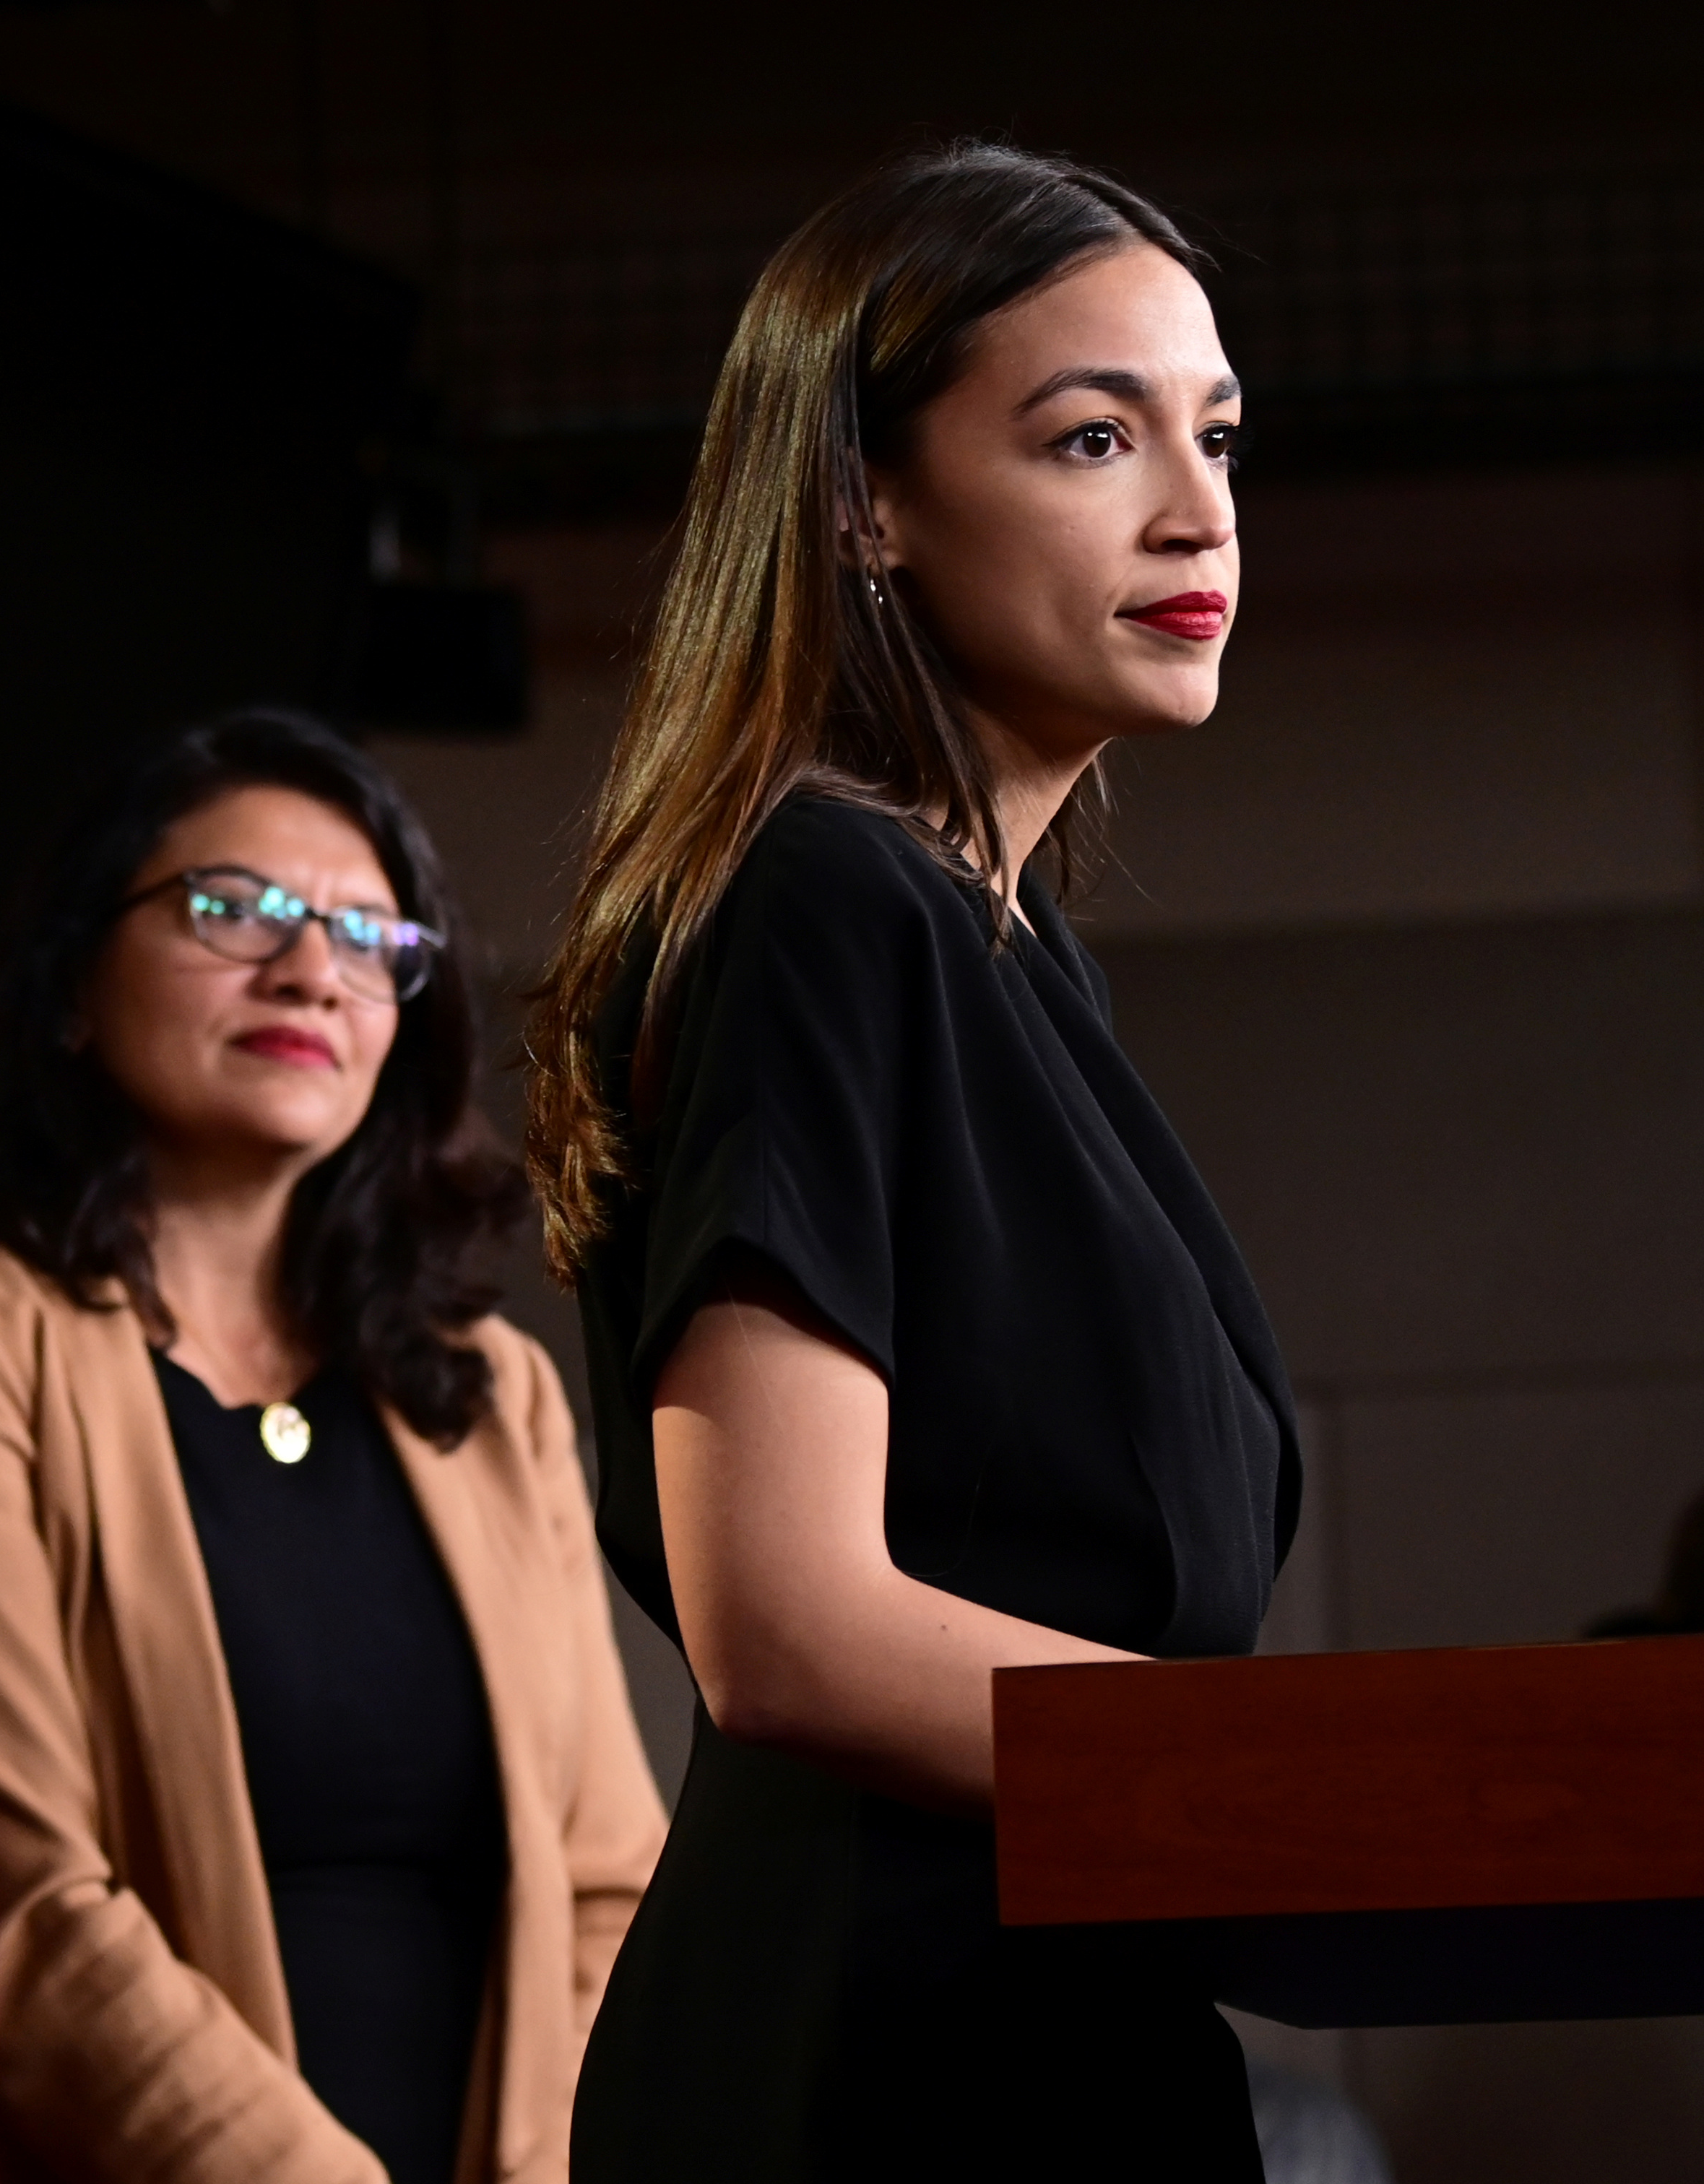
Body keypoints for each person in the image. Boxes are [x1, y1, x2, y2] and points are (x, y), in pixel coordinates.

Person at [524, 144, 1298, 2179]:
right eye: (1089, 436)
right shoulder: (821, 897)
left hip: (1066, 2031)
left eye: (1213, 434)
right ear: (860, 502)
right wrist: (1280, 1782)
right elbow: (783, 1618)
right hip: (876, 2073)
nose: (1195, 505)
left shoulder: (1021, 964)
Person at [0, 711, 668, 2184]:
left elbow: (610, 1889)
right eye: (235, 911)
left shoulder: (490, 1398)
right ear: (74, 984)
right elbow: (22, 1896)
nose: (311, 973)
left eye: (367, 939)